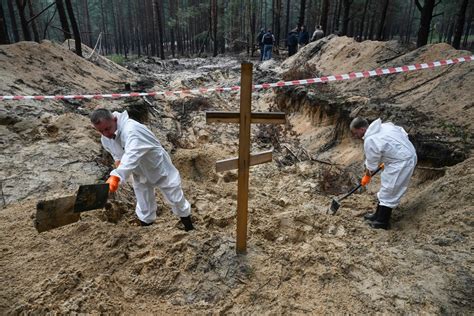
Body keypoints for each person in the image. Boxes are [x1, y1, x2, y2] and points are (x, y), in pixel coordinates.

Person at [90, 108, 194, 231]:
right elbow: (117, 154)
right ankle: (146, 229)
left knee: (175, 198)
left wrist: (116, 176)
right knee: (144, 202)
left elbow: (132, 154)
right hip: (139, 172)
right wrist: (118, 163)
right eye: (101, 131)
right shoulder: (106, 138)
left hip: (157, 167)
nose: (106, 134)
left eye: (107, 128)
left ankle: (188, 226)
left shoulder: (132, 130)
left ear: (115, 119)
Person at [350, 117, 417, 230]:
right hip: (404, 156)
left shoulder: (370, 139)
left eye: (355, 133)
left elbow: (371, 164)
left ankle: (382, 222)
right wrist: (392, 154)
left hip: (401, 162)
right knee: (386, 188)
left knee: (390, 190)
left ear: (361, 129)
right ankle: (377, 215)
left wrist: (367, 175)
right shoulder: (385, 126)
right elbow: (403, 134)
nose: (355, 136)